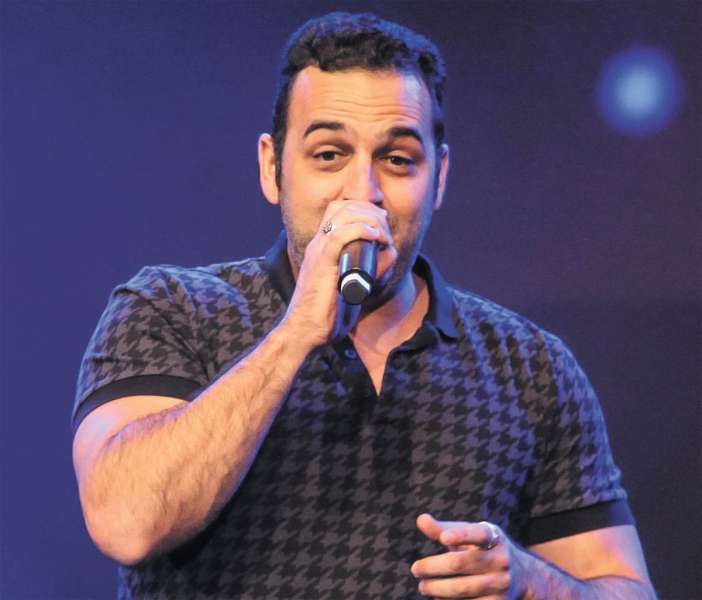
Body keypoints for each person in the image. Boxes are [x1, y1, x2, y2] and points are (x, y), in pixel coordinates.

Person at [72, 12, 656, 600]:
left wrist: (532, 583)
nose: (363, 192)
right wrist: (297, 331)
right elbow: (125, 523)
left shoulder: (531, 367)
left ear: (439, 178)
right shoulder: (172, 310)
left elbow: (628, 589)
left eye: (397, 159)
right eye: (329, 154)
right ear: (272, 169)